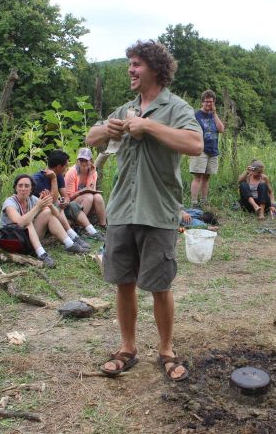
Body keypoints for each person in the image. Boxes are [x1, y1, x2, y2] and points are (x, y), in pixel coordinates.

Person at [86, 39, 202, 381]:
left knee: (159, 285)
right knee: (123, 282)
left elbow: (195, 144)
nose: (130, 70)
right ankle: (127, 348)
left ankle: (166, 351)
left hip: (159, 210)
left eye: (136, 64)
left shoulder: (176, 108)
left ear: (155, 69)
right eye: (130, 64)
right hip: (121, 209)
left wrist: (148, 126)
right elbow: (92, 138)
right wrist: (109, 128)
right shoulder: (125, 109)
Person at [0, 174, 87, 267]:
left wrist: (49, 204)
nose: (23, 189)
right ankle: (42, 254)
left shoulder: (32, 199)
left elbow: (56, 215)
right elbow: (20, 223)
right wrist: (38, 207)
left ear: (31, 189)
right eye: (20, 185)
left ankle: (69, 244)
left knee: (48, 213)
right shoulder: (9, 202)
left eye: (26, 186)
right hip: (13, 240)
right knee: (27, 221)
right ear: (15, 188)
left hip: (27, 239)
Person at [31, 150, 102, 245]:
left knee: (72, 204)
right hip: (42, 212)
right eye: (66, 165)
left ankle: (93, 231)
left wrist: (65, 201)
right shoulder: (37, 180)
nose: (67, 168)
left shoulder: (58, 175)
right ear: (59, 166)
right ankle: (73, 236)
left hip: (54, 207)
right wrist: (53, 179)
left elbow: (65, 196)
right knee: (57, 205)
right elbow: (53, 200)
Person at [189, 89, 225, 208]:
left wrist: (214, 114)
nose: (209, 104)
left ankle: (204, 201)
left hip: (213, 149)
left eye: (211, 102)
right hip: (200, 149)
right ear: (202, 102)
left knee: (207, 177)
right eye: (206, 102)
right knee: (198, 176)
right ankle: (194, 202)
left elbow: (221, 129)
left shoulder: (214, 116)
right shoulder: (196, 115)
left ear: (214, 102)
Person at [64, 147, 107, 228]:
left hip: (87, 204)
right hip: (72, 205)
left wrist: (90, 174)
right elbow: (68, 198)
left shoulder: (93, 172)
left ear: (91, 161)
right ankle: (79, 225)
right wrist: (82, 191)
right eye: (81, 160)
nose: (83, 162)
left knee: (98, 197)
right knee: (89, 196)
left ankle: (103, 225)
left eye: (86, 160)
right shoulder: (72, 172)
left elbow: (91, 189)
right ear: (77, 161)